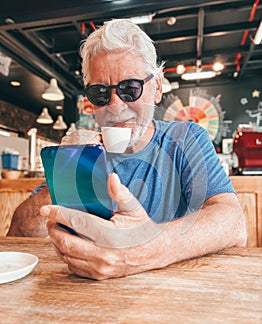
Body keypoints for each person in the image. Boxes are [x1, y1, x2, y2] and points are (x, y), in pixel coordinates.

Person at [7, 19, 247, 280]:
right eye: (100, 93)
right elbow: (20, 233)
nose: (115, 106)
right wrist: (66, 173)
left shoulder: (185, 139)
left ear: (156, 88)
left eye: (130, 89)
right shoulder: (83, 153)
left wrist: (142, 249)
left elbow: (233, 223)